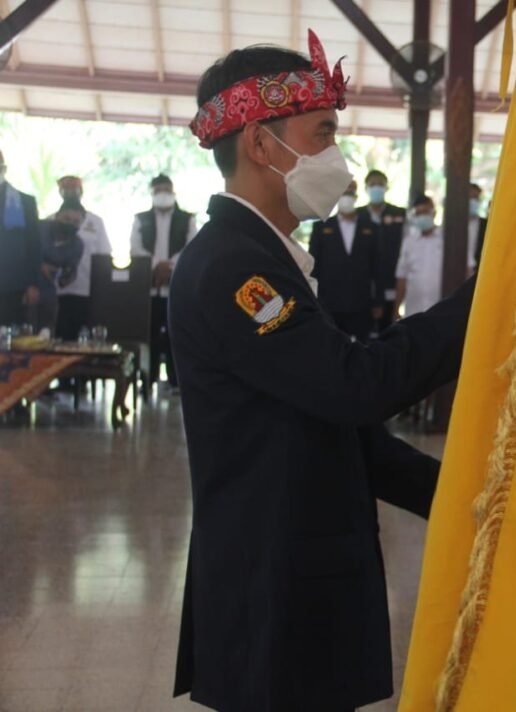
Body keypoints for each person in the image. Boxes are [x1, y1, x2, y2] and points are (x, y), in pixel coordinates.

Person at [172, 31, 473, 711]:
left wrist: (468, 503)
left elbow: (349, 437)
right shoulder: (234, 267)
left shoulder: (269, 257)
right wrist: (471, 311)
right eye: (322, 134)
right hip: (274, 576)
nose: (335, 158)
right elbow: (353, 387)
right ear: (259, 144)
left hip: (298, 567)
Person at [130, 174, 197, 391]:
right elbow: (136, 248)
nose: (162, 193)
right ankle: (147, 379)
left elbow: (192, 246)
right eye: (158, 190)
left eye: (165, 189)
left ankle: (174, 380)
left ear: (173, 191)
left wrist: (169, 266)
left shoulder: (187, 219)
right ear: (152, 193)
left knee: (174, 334)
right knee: (148, 335)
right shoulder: (141, 219)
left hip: (176, 286)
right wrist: (156, 265)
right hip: (149, 287)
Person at [308, 180, 378, 340]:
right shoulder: (321, 227)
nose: (347, 196)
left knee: (362, 349)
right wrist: (314, 301)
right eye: (343, 193)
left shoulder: (370, 227)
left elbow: (377, 266)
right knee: (332, 349)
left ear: (356, 196)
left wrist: (378, 301)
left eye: (350, 193)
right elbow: (314, 266)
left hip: (361, 302)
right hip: (330, 303)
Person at [54, 176, 112, 342]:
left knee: (83, 338)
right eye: (67, 190)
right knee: (59, 337)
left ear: (82, 192)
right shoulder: (51, 220)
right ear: (60, 192)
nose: (71, 193)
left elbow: (104, 256)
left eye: (75, 190)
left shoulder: (95, 221)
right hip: (57, 292)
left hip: (87, 290)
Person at [355, 169, 407, 332]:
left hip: (392, 279)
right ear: (366, 188)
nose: (376, 188)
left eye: (380, 184)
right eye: (372, 185)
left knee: (389, 329)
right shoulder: (357, 215)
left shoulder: (399, 214)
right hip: (363, 284)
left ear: (386, 187)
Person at [0, 149, 41, 326]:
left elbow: (34, 245)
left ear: (3, 168)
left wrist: (32, 283)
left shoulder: (24, 202)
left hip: (13, 283)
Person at [32, 199, 85, 333]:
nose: (70, 224)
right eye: (66, 219)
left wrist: (65, 275)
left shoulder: (77, 244)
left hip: (49, 291)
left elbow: (70, 271)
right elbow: (18, 253)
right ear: (57, 216)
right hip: (23, 286)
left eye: (75, 222)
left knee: (46, 334)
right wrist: (39, 265)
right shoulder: (38, 228)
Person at [395, 194, 449, 320]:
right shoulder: (409, 242)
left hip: (442, 309)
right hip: (414, 310)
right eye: (418, 213)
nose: (422, 216)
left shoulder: (447, 239)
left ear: (434, 212)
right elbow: (402, 277)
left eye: (425, 212)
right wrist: (396, 307)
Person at [469, 181, 489, 270]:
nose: (473, 201)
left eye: (476, 198)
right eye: (470, 197)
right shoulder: (451, 226)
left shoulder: (486, 226)